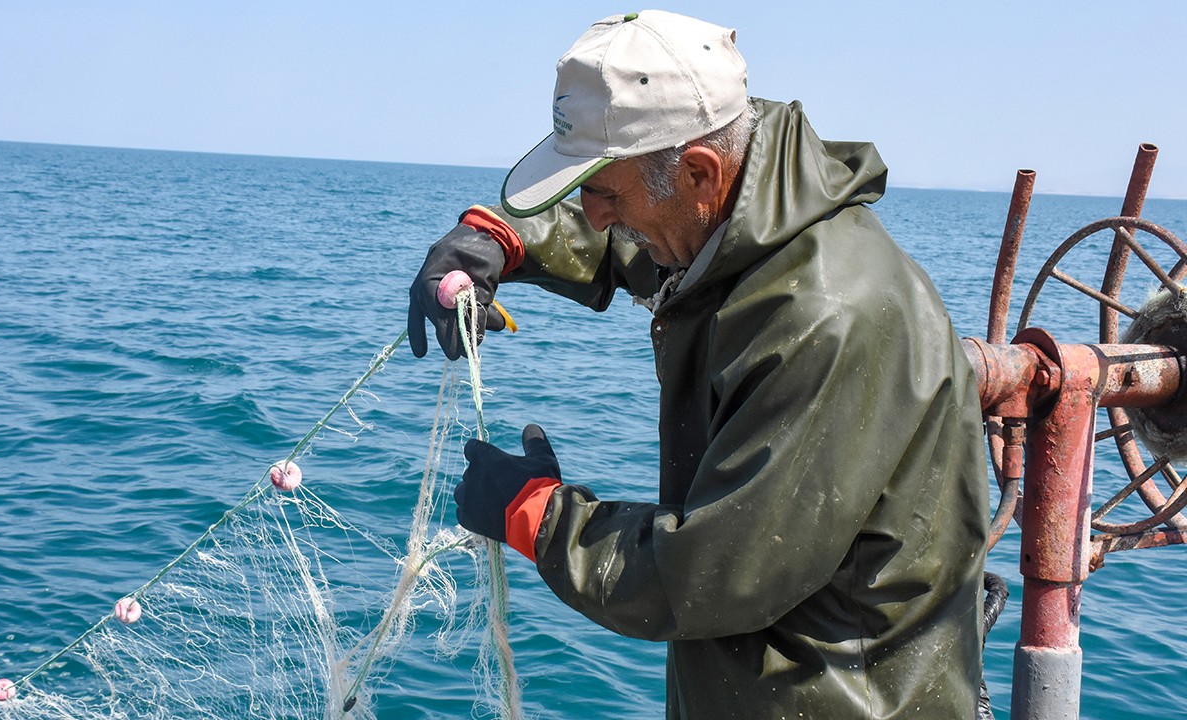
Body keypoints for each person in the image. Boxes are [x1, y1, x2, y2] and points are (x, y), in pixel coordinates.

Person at [408, 10, 989, 719]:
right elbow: (638, 242)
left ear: (699, 171)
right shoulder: (736, 223)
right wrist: (502, 239)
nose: (590, 213)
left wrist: (534, 513)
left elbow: (713, 573)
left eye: (604, 191)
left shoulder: (823, 319)